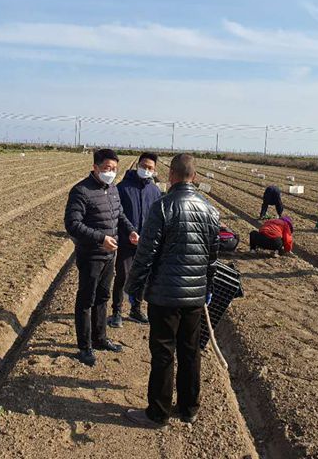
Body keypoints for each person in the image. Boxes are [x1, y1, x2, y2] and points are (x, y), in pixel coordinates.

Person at [123, 154, 220, 429]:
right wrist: (207, 288)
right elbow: (212, 258)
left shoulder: (163, 207)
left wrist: (134, 288)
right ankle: (189, 408)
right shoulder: (210, 210)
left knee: (163, 353)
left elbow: (146, 253)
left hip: (164, 296)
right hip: (194, 297)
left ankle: (158, 413)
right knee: (190, 351)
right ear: (194, 177)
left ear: (172, 176)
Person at [64, 148, 139, 367]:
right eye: (107, 168)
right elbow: (72, 224)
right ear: (95, 167)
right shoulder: (81, 191)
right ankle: (85, 346)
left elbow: (119, 214)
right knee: (86, 300)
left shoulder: (112, 188)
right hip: (91, 255)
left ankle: (100, 338)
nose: (111, 172)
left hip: (109, 254)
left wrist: (131, 231)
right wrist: (100, 238)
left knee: (103, 296)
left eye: (114, 169)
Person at [109, 152, 161, 328]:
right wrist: (127, 233)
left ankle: (136, 309)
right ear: (137, 165)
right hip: (126, 241)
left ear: (154, 170)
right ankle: (116, 311)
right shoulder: (123, 188)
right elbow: (117, 214)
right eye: (143, 166)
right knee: (122, 276)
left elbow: (156, 217)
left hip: (145, 243)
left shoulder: (155, 191)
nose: (146, 170)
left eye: (150, 168)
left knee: (142, 277)